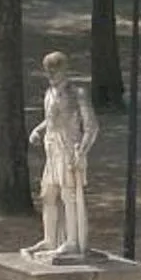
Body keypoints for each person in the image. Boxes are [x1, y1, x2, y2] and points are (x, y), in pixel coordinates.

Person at [29, 50, 98, 258]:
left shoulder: (77, 93)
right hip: (52, 148)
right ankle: (50, 239)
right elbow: (51, 119)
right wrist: (38, 130)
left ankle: (72, 241)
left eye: (54, 71)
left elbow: (92, 126)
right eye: (48, 72)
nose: (51, 76)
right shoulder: (49, 93)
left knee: (69, 195)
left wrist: (82, 150)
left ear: (63, 70)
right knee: (48, 194)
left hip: (69, 148)